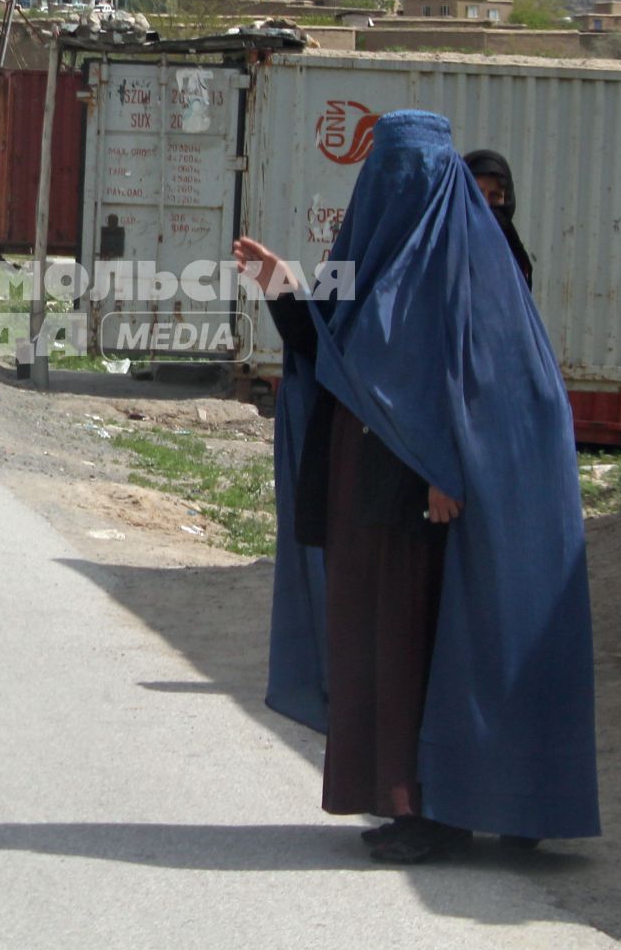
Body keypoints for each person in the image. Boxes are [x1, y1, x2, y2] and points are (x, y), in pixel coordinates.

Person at [236, 109, 598, 864]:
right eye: (382, 174)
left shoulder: (477, 265)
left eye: (411, 176)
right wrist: (281, 288)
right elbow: (330, 351)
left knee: (426, 645)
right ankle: (406, 800)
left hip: (433, 502)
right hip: (368, 489)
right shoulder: (367, 260)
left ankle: (439, 807)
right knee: (380, 645)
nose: (393, 190)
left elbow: (505, 387)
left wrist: (446, 467)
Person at [463, 148, 533, 288]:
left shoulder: (513, 250)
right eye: (477, 194)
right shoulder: (445, 243)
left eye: (495, 196)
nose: (485, 204)